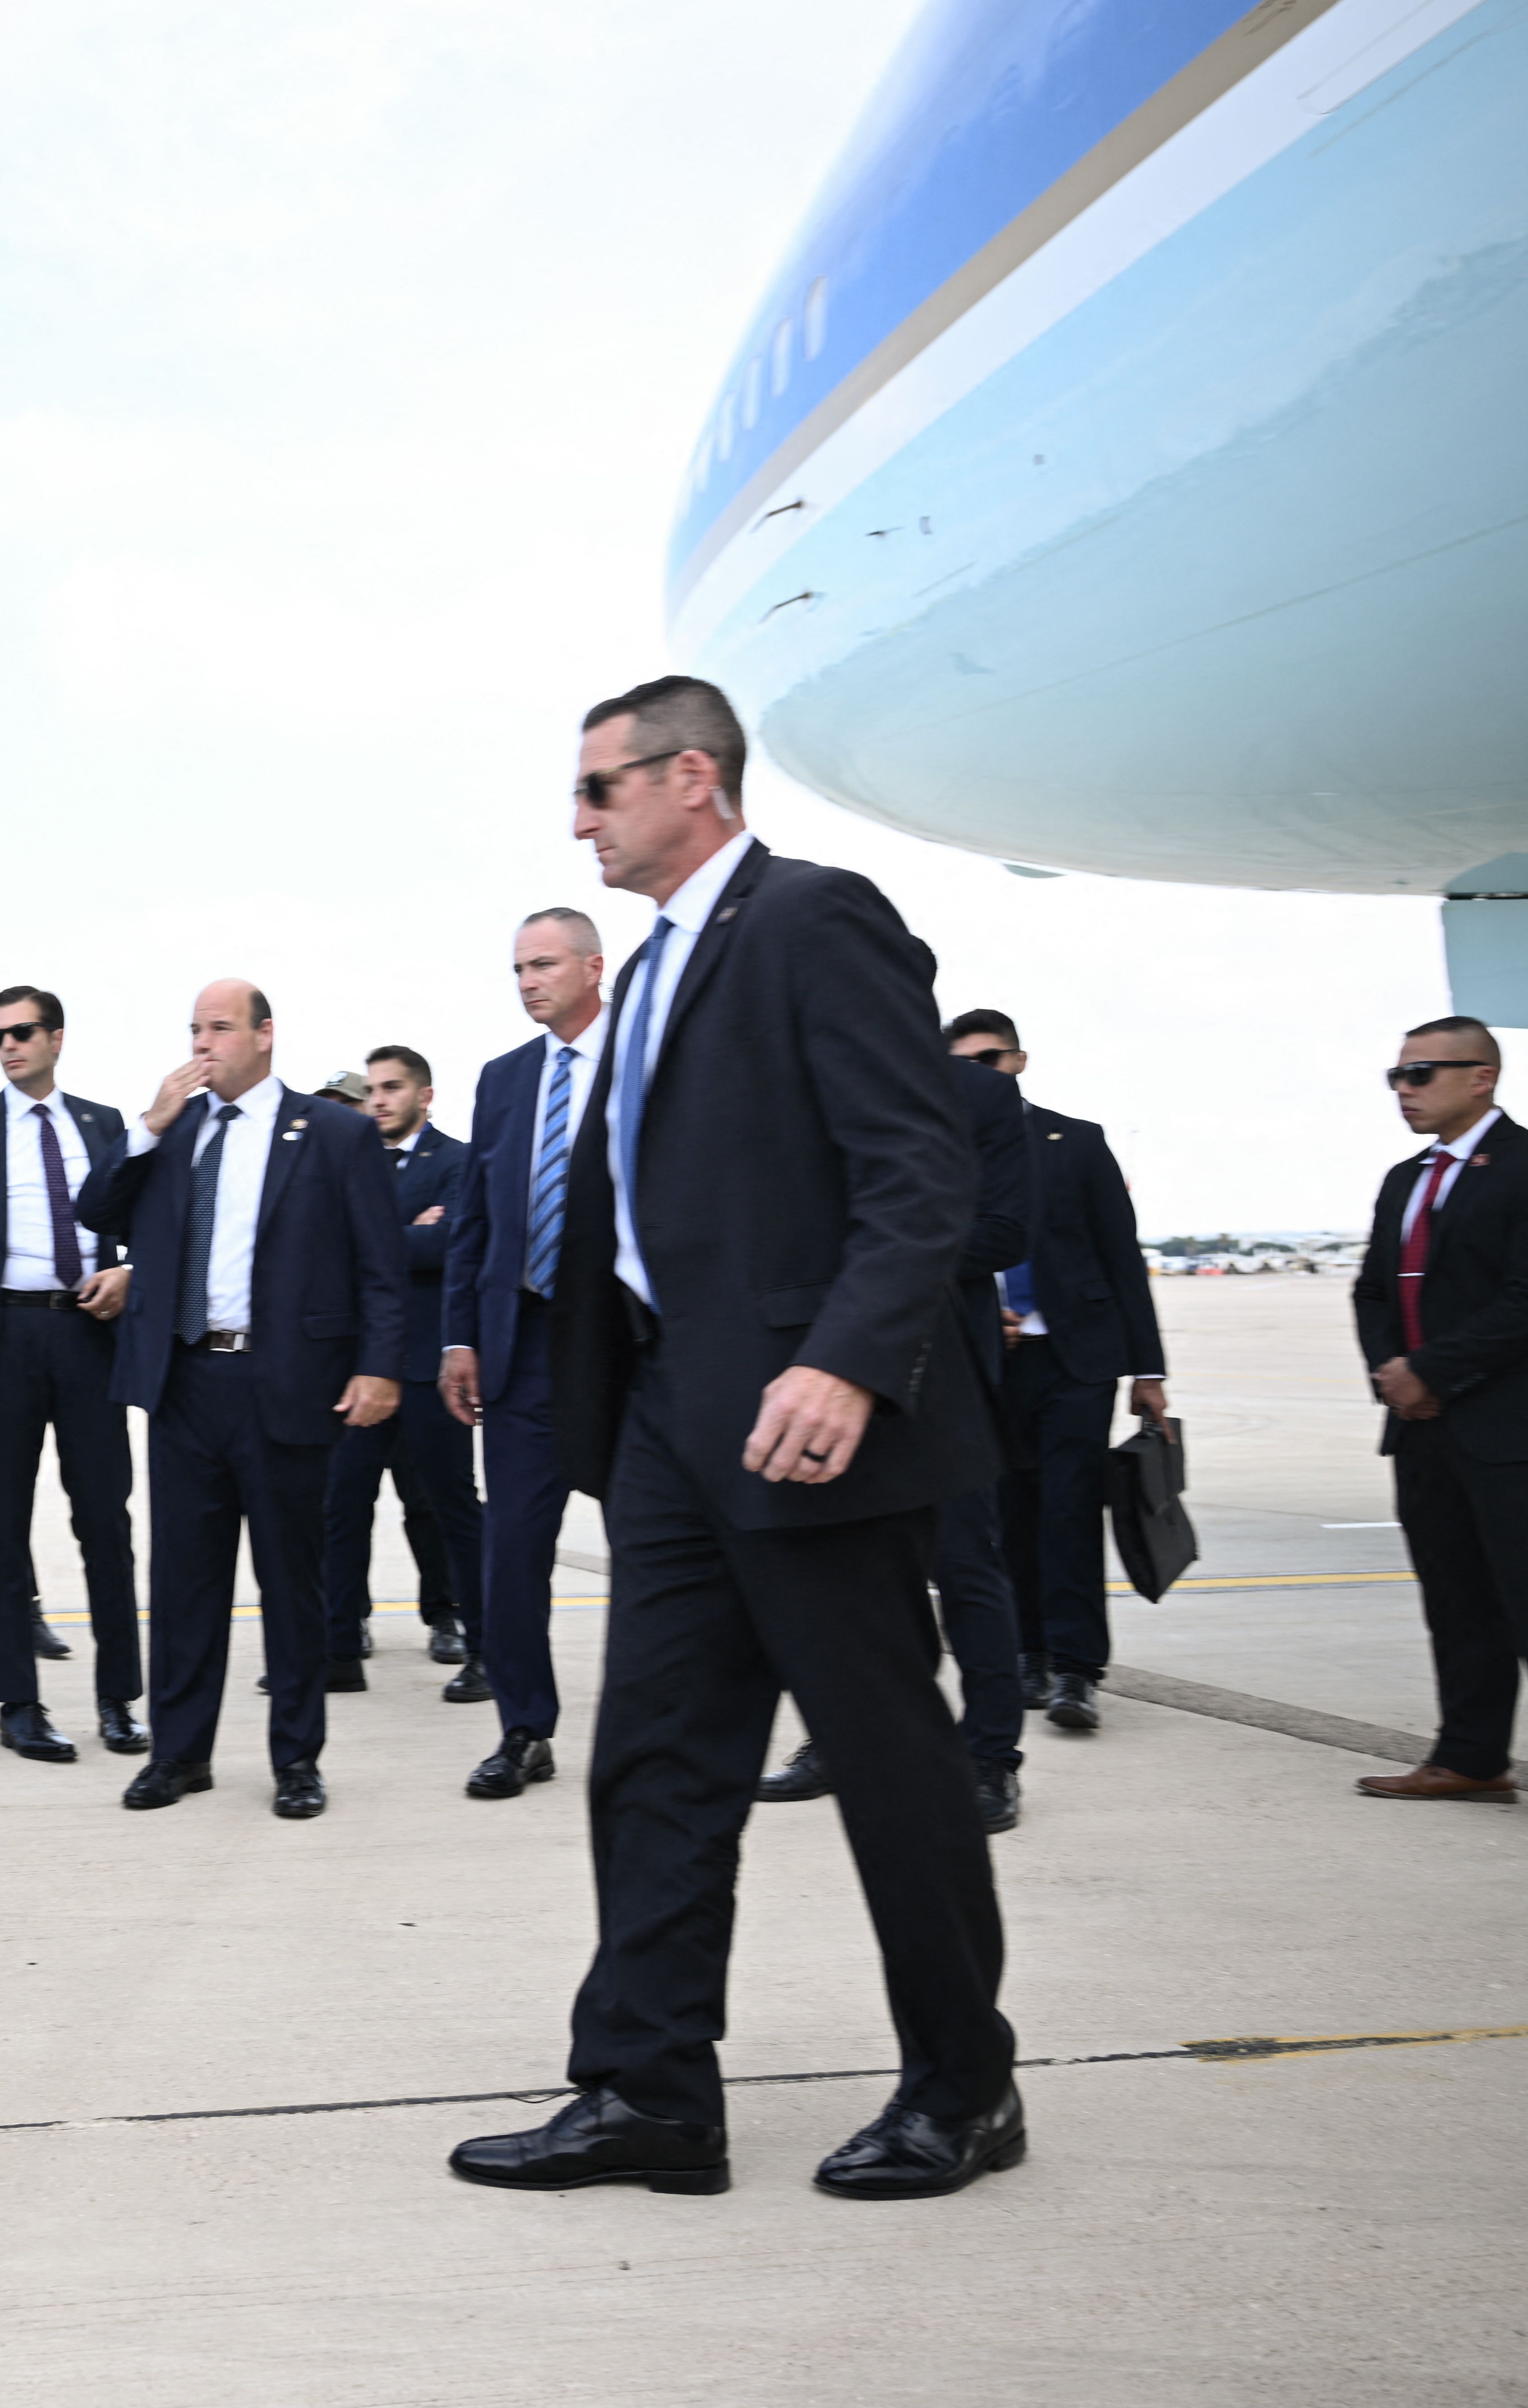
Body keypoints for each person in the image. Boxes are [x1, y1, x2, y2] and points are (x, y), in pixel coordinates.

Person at [450, 675, 1016, 2207]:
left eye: (598, 789)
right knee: (650, 1765)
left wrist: (846, 1362)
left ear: (689, 776)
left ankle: (963, 2083)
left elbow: (915, 1167)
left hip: (805, 1430)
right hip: (668, 1426)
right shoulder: (640, 973)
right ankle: (645, 2089)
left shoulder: (813, 921)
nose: (577, 820)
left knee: (889, 1766)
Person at [77, 980, 408, 1821]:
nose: (203, 1043)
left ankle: (296, 1757)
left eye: (220, 1028)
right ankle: (180, 1753)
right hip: (186, 1380)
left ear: (266, 1035)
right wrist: (147, 1123)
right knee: (184, 1580)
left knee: (290, 1581)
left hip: (287, 1380)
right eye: (194, 1028)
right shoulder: (174, 1131)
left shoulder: (332, 1131)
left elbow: (380, 1262)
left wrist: (379, 1366)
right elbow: (96, 1207)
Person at [762, 1018, 1035, 1827]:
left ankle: (989, 1759)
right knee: (831, 1576)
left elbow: (1005, 1230)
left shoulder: (981, 1095)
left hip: (940, 1367)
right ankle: (835, 1741)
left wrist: (879, 1260)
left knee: (967, 1571)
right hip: (821, 1364)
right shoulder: (804, 1088)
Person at [1347, 1017, 1528, 1847]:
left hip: (1518, 1425)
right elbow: (1373, 1294)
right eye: (1395, 1076)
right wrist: (1395, 1373)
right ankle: (1470, 1756)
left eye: (1420, 1074)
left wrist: (1434, 1370)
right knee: (1454, 1598)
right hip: (1425, 1424)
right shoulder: (1405, 1179)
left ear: (1482, 1076)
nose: (1405, 1090)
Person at [0, 985, 143, 1765]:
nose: (7, 1045)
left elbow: (149, 1224)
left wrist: (131, 1272)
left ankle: (119, 1698)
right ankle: (17, 1702)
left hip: (86, 1333)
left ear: (57, 1037)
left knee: (105, 1520)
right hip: (0, 1339)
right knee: (2, 1525)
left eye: (21, 1032)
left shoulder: (104, 1125)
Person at [954, 1016, 1171, 1729]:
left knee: (1071, 1510)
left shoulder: (1074, 1140)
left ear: (1019, 1059)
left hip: (1079, 1358)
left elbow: (1120, 1253)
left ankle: (1077, 1670)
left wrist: (1147, 1368)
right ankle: (1027, 1655)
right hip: (996, 1359)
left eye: (991, 1058)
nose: (981, 1072)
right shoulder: (948, 1148)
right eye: (964, 1063)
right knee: (1008, 1513)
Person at [438, 909, 607, 1801]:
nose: (528, 981)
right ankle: (523, 1726)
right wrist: (460, 1334)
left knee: (654, 1553)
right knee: (513, 1550)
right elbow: (474, 1220)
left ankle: (650, 1728)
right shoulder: (505, 1081)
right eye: (518, 968)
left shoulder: (644, 1060)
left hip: (625, 1350)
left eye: (544, 964)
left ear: (593, 965)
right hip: (521, 1344)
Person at [319, 1045, 482, 1699]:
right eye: (375, 1089)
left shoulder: (457, 1161)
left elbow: (452, 1245)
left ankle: (472, 1636)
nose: (380, 1099)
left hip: (429, 1368)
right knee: (341, 1507)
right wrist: (400, 1232)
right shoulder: (348, 1159)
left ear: (425, 1095)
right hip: (358, 1370)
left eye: (393, 1088)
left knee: (447, 1510)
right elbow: (324, 1246)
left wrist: (367, 1238)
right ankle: (336, 1647)